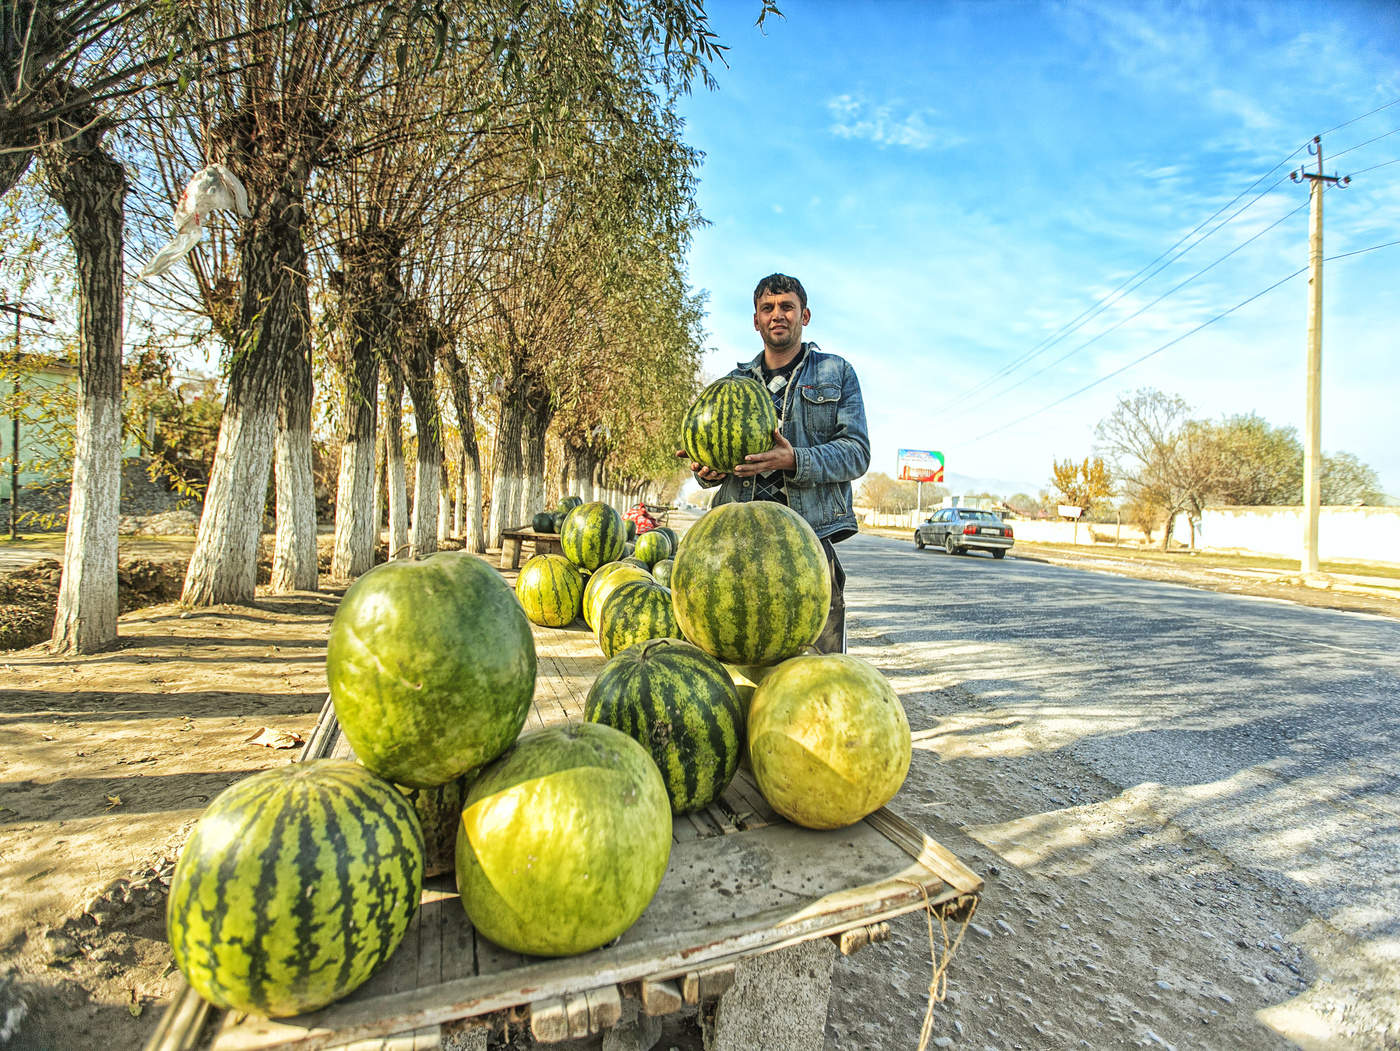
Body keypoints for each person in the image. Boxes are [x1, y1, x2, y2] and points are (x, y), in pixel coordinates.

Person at [681, 273, 870, 653]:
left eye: (787, 307)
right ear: (756, 321)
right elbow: (716, 464)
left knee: (818, 669)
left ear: (805, 316)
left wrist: (794, 460)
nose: (777, 315)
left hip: (810, 544)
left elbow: (856, 452)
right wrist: (706, 470)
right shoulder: (732, 383)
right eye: (767, 308)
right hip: (734, 546)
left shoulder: (836, 372)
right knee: (733, 657)